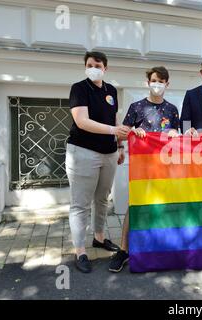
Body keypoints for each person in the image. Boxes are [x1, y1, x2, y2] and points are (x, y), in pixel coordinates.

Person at [108, 66, 179, 272]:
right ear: (148, 82)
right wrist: (132, 131)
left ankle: (156, 248)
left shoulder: (173, 109)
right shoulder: (136, 107)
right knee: (136, 205)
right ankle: (123, 250)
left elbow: (176, 135)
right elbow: (121, 133)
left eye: (162, 81)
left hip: (165, 167)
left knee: (161, 206)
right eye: (154, 80)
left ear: (167, 84)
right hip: (142, 168)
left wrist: (175, 132)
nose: (157, 84)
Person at [66, 51, 130, 273]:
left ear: (105, 68)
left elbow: (113, 118)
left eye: (97, 65)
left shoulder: (111, 90)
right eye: (89, 64)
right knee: (80, 204)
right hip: (83, 152)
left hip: (109, 152)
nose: (93, 67)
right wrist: (113, 130)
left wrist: (120, 145)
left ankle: (100, 238)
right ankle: (80, 250)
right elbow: (82, 121)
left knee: (102, 199)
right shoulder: (79, 88)